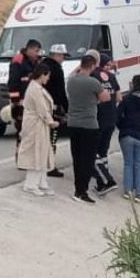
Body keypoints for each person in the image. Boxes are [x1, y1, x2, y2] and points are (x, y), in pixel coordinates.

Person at [66, 54, 111, 204]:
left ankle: (77, 189)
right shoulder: (93, 82)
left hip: (73, 123)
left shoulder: (71, 81)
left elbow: (72, 74)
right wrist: (95, 99)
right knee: (88, 159)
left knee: (77, 158)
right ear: (92, 66)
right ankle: (82, 191)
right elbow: (106, 98)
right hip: (89, 125)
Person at [16, 64, 59, 196]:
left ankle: (41, 182)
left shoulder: (37, 87)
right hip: (35, 125)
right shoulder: (34, 89)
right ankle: (30, 184)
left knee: (42, 152)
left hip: (39, 125)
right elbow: (41, 109)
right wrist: (51, 122)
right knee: (35, 154)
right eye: (47, 76)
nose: (48, 79)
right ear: (42, 75)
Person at [92, 53, 121, 195]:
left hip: (98, 118)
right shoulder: (112, 76)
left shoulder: (93, 75)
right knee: (103, 151)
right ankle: (103, 176)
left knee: (93, 151)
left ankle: (105, 180)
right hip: (111, 118)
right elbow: (119, 97)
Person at [41, 44, 71, 178]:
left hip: (41, 108)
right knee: (52, 139)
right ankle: (50, 166)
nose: (63, 59)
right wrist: (66, 108)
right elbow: (60, 91)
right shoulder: (57, 69)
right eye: (63, 56)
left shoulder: (42, 65)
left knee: (43, 138)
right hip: (53, 108)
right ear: (57, 55)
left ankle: (42, 163)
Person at [7, 39, 42, 136]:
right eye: (36, 51)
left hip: (32, 102)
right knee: (23, 131)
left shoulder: (35, 62)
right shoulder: (18, 61)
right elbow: (13, 83)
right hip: (21, 103)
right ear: (29, 49)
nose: (37, 54)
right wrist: (16, 101)